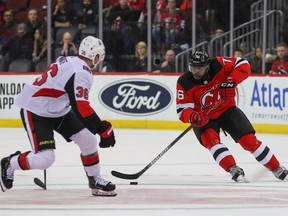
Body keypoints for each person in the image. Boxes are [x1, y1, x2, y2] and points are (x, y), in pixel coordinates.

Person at [0, 36, 117, 196]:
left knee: (88, 139)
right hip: (36, 109)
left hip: (57, 109)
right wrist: (103, 129)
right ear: (96, 56)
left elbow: (75, 104)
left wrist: (98, 130)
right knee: (45, 159)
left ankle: (94, 178)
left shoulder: (70, 60)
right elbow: (81, 107)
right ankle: (9, 163)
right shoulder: (81, 72)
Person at [176, 50, 288, 182]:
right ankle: (233, 169)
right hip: (204, 119)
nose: (195, 72)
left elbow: (243, 63)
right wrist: (193, 116)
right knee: (211, 142)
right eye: (192, 68)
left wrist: (231, 80)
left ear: (207, 67)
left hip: (227, 110)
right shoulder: (184, 82)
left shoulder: (218, 64)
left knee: (249, 140)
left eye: (199, 69)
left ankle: (276, 168)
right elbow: (182, 110)